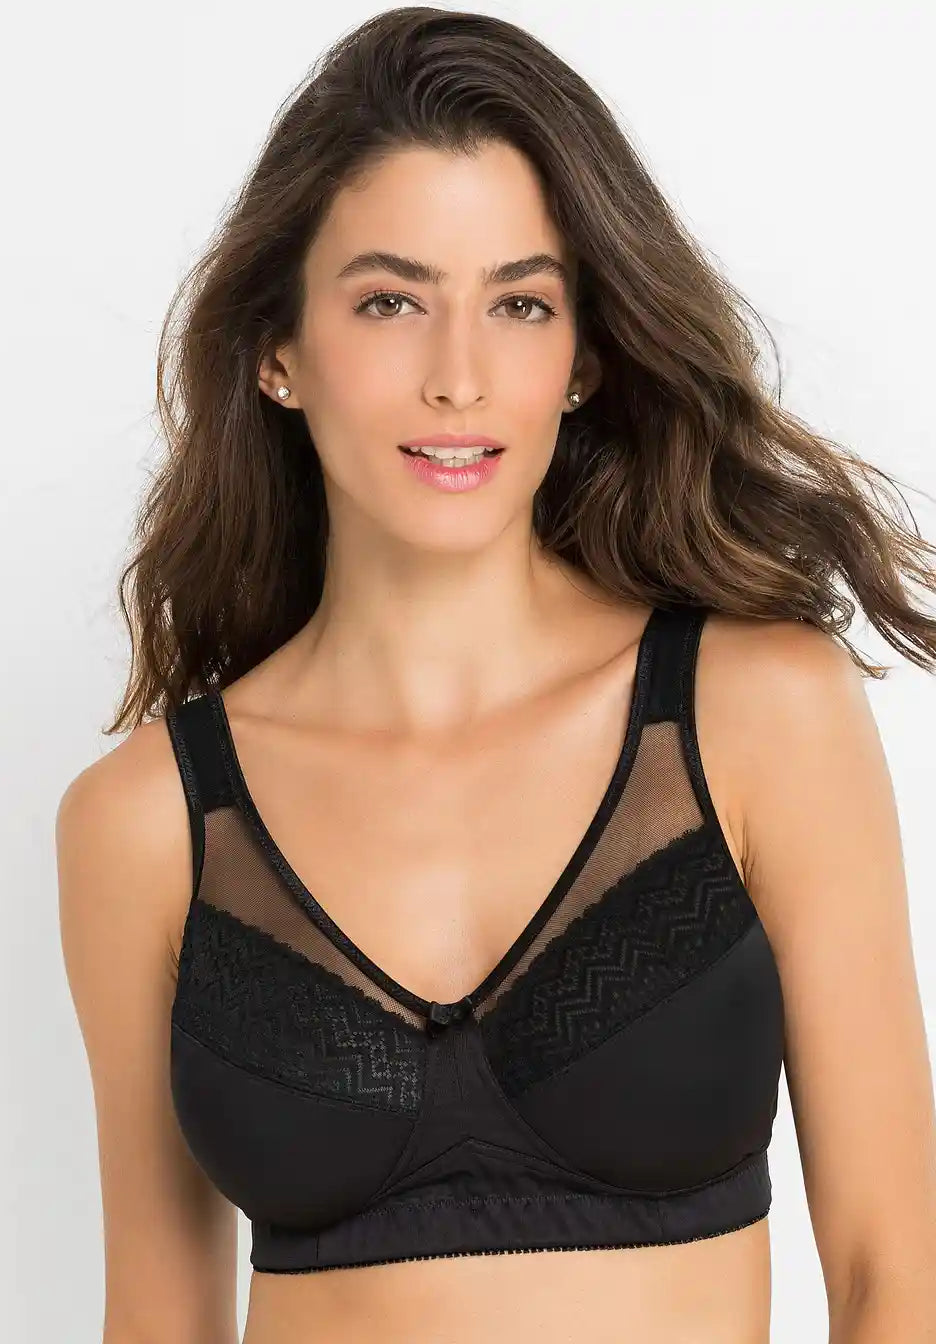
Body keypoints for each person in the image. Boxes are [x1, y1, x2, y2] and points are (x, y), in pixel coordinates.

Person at [55, 8, 936, 1343]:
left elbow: (895, 1279)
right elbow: (159, 1321)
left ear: (583, 357)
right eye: (391, 301)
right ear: (277, 354)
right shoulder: (146, 824)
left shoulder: (757, 712)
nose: (458, 378)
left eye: (520, 304)